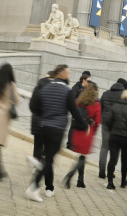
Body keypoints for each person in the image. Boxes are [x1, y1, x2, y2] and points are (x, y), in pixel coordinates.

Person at [27, 64, 86, 201]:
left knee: (49, 157)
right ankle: (33, 187)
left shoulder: (46, 87)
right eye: (68, 73)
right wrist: (84, 125)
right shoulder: (66, 91)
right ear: (62, 75)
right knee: (49, 158)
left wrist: (44, 116)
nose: (69, 76)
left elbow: (35, 106)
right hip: (57, 129)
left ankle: (40, 162)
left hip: (43, 126)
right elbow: (74, 111)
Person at [64, 82, 101, 189]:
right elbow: (98, 121)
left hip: (77, 131)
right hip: (88, 132)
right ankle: (70, 175)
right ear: (95, 91)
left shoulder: (79, 101)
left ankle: (81, 180)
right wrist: (93, 132)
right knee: (83, 157)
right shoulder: (96, 104)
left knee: (81, 156)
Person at [102, 89, 127, 189]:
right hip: (126, 138)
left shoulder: (115, 107)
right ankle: (123, 181)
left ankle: (110, 182)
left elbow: (108, 121)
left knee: (112, 159)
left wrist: (112, 130)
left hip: (114, 136)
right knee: (124, 160)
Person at [98, 78, 127, 179]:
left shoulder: (106, 93)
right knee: (115, 149)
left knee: (104, 146)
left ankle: (101, 171)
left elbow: (100, 107)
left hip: (105, 123)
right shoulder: (124, 95)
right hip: (117, 126)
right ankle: (111, 171)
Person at [66, 71, 91, 150]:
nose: (88, 83)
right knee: (73, 127)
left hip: (82, 112)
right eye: (87, 81)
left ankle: (75, 144)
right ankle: (69, 144)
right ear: (83, 80)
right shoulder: (76, 87)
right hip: (76, 111)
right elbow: (72, 99)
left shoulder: (86, 89)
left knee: (78, 128)